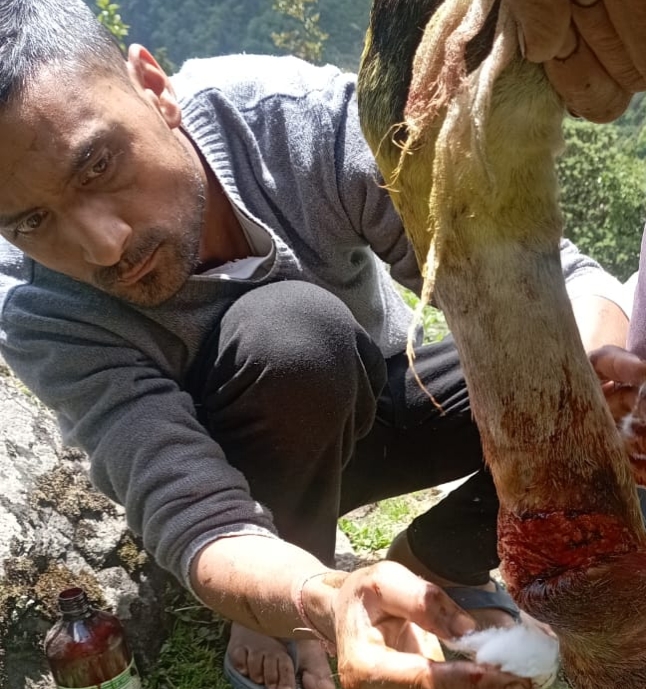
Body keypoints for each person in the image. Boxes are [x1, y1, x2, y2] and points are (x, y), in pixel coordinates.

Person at [0, 2, 639, 689]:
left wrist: (591, 385)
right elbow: (189, 509)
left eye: (98, 165)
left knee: (583, 379)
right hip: (240, 468)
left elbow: (547, 275)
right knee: (294, 336)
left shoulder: (285, 119)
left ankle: (438, 556)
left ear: (154, 88)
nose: (103, 246)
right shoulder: (40, 305)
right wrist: (317, 597)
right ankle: (275, 612)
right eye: (31, 221)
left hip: (379, 392)